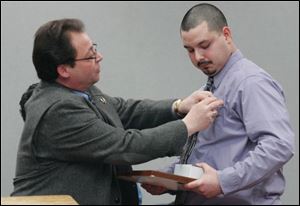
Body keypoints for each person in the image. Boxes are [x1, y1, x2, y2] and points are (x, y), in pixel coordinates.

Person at [11, 18, 224, 205]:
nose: (99, 57)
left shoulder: (79, 90)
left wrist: (178, 106)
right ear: (64, 70)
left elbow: (125, 110)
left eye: (94, 48)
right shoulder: (58, 111)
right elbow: (124, 146)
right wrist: (188, 125)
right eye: (90, 55)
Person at [142, 3, 295, 205]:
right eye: (189, 50)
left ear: (226, 35)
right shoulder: (211, 86)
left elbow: (279, 146)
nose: (198, 57)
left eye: (204, 46)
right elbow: (209, 153)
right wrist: (170, 177)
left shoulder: (251, 82)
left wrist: (223, 182)